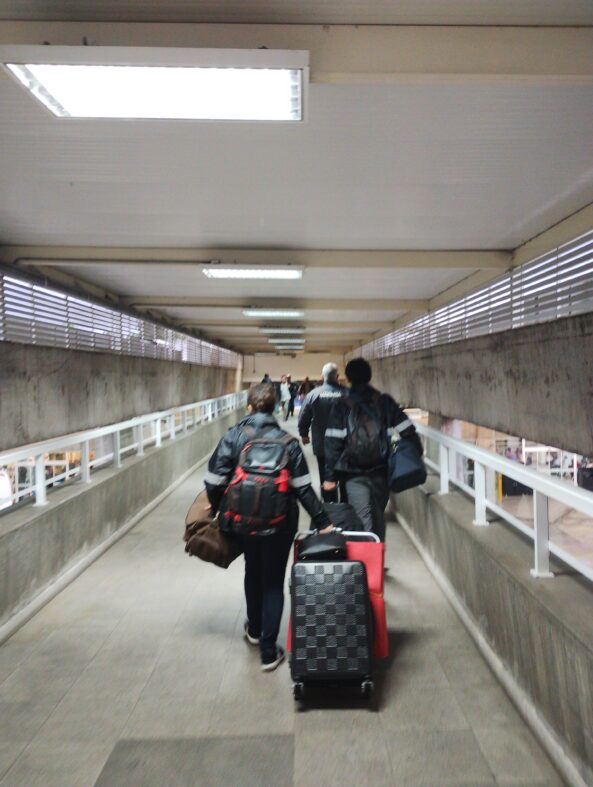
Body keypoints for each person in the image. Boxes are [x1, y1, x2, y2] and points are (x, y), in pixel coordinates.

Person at [204, 383, 331, 671]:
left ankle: (255, 628)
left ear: (248, 407)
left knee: (252, 569)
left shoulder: (234, 436)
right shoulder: (287, 442)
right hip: (280, 523)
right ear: (274, 408)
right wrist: (323, 522)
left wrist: (218, 508)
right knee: (273, 580)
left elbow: (213, 480)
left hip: (242, 521)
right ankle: (268, 653)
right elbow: (303, 489)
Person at [323, 357, 422, 542]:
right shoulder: (385, 402)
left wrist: (329, 476)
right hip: (381, 470)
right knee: (378, 517)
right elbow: (408, 431)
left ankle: (364, 563)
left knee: (361, 518)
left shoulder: (342, 405)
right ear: (369, 376)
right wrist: (415, 455)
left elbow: (333, 441)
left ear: (348, 377)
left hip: (351, 471)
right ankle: (376, 558)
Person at [298, 362, 347, 503]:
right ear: (337, 376)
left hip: (322, 446)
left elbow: (303, 416)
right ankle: (345, 507)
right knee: (345, 479)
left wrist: (304, 434)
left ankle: (329, 507)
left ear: (322, 377)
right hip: (345, 446)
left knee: (325, 477)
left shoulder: (313, 395)